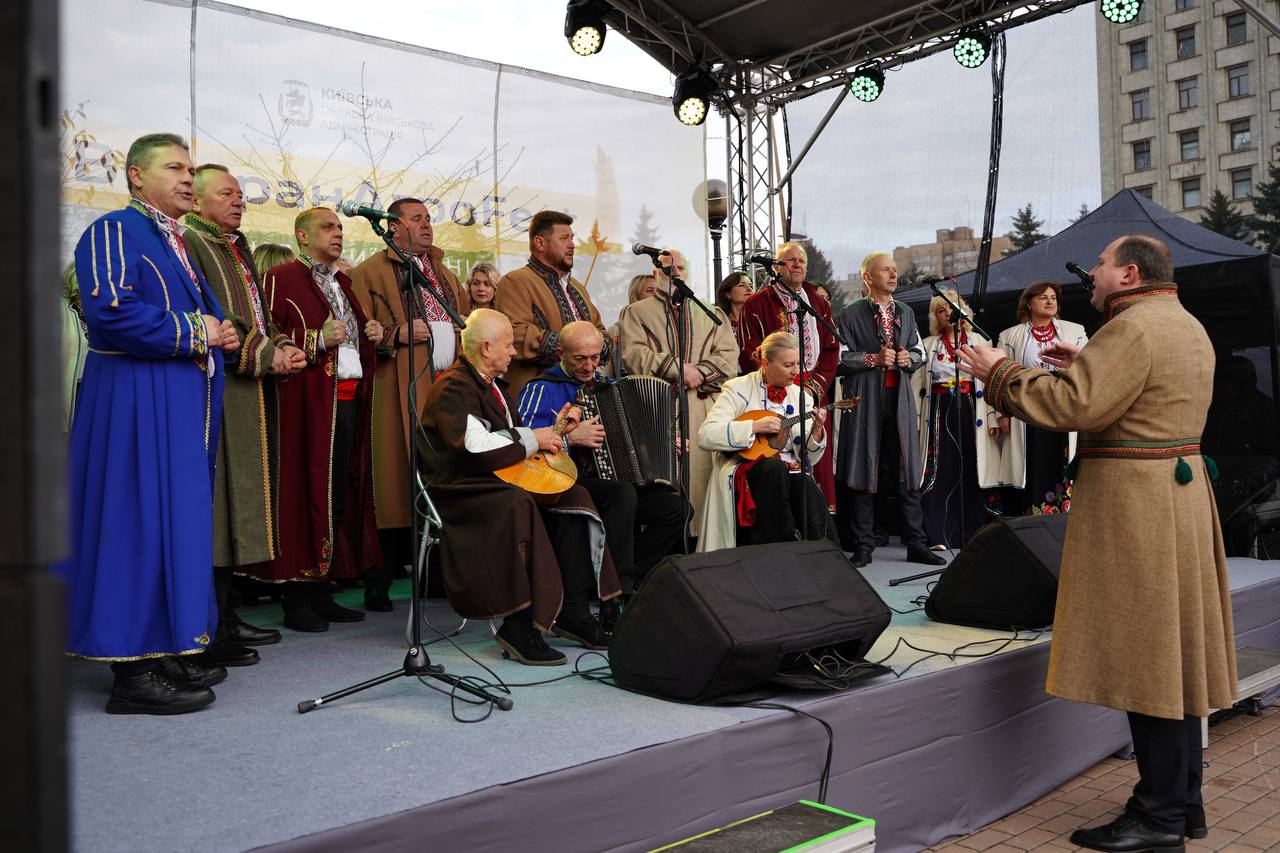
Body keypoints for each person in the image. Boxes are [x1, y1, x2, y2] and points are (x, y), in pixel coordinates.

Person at [959, 234, 1237, 851]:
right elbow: (1119, 394)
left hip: (1141, 506)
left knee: (1150, 658)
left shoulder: (1132, 328)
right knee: (1174, 657)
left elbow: (1076, 407)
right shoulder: (1183, 323)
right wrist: (1078, 364)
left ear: (1130, 274)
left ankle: (1158, 817)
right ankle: (1179, 804)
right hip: (1179, 499)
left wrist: (998, 371)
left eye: (1104, 265)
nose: (1094, 275)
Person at [57, 132, 240, 714]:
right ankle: (129, 674)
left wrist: (222, 331)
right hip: (134, 404)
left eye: (191, 169)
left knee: (171, 526)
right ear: (136, 176)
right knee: (133, 525)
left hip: (176, 406)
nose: (189, 178)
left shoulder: (177, 240)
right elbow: (111, 311)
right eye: (174, 168)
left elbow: (197, 317)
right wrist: (198, 331)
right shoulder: (114, 231)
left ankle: (160, 648)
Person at [420, 309, 622, 665]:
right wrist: (534, 437)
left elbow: (508, 440)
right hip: (463, 489)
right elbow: (475, 447)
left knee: (575, 493)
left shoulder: (488, 383)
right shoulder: (455, 386)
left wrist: (555, 432)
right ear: (485, 347)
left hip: (495, 477)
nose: (514, 353)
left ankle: (574, 611)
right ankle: (518, 624)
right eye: (508, 345)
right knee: (517, 504)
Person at [183, 164, 306, 663]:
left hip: (249, 395)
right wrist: (264, 353)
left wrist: (284, 346)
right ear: (198, 201)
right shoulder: (194, 242)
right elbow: (216, 317)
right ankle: (209, 626)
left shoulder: (236, 246)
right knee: (220, 507)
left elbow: (259, 317)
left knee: (239, 505)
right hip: (219, 392)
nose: (239, 201)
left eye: (240, 194)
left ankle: (226, 616)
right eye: (226, 194)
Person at [261, 208, 383, 631]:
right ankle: (296, 598)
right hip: (306, 404)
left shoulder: (343, 282)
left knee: (337, 495)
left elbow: (349, 338)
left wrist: (372, 334)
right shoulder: (281, 277)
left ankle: (322, 587)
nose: (338, 234)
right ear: (302, 235)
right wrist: (315, 339)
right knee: (304, 493)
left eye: (340, 228)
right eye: (328, 228)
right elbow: (267, 335)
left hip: (346, 400)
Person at [349, 197, 469, 611]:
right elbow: (356, 332)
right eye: (417, 219)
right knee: (392, 479)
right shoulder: (369, 273)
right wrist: (396, 334)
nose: (427, 225)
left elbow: (466, 323)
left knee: (442, 475)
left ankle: (436, 576)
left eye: (429, 218)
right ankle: (378, 580)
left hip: (446, 388)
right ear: (394, 227)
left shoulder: (445, 273)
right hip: (396, 386)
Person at [517, 321, 687, 604]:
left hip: (614, 484)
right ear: (561, 353)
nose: (589, 365)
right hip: (564, 483)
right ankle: (619, 592)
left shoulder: (609, 388)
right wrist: (571, 439)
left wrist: (668, 446)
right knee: (622, 494)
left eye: (595, 357)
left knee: (676, 508)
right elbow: (525, 449)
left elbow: (635, 438)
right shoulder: (541, 389)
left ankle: (631, 576)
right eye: (580, 358)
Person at [835, 252, 946, 569]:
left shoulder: (907, 312)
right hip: (865, 402)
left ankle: (916, 543)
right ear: (868, 278)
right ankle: (864, 544)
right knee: (864, 468)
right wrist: (873, 360)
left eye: (895, 269)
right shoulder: (851, 313)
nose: (893, 274)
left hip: (899, 403)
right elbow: (840, 360)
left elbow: (919, 352)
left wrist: (905, 360)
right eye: (885, 269)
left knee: (907, 471)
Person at [618, 248, 739, 535]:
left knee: (702, 480)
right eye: (669, 270)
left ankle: (701, 541)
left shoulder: (711, 312)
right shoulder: (636, 313)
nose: (676, 274)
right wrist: (676, 369)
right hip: (657, 409)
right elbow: (632, 355)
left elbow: (729, 359)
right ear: (656, 274)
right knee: (662, 482)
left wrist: (699, 373)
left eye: (681, 269)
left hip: (702, 409)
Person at [698, 331, 833, 550]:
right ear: (765, 363)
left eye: (798, 364)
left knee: (805, 482)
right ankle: (780, 548)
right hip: (746, 470)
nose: (795, 371)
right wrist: (753, 427)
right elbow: (706, 435)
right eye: (788, 364)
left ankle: (823, 554)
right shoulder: (737, 388)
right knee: (775, 468)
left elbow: (809, 454)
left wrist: (817, 431)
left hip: (788, 470)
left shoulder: (801, 396)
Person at [737, 243, 839, 511]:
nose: (797, 265)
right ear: (776, 266)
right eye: (790, 260)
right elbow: (749, 352)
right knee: (778, 454)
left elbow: (830, 349)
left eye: (801, 261)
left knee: (815, 450)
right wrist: (783, 379)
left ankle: (818, 522)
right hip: (772, 392)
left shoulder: (818, 304)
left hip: (814, 390)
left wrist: (813, 385)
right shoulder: (756, 304)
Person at [909, 290, 1001, 550]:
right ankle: (939, 533)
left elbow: (992, 383)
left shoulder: (980, 340)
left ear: (963, 312)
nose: (948, 313)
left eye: (952, 308)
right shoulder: (927, 345)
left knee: (972, 466)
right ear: (935, 317)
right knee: (940, 469)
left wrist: (995, 418)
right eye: (941, 310)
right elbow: (916, 389)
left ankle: (976, 531)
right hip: (939, 410)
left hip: (971, 409)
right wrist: (915, 423)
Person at [493, 210, 613, 396]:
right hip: (538, 396)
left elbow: (600, 331)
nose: (572, 245)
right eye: (564, 238)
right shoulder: (515, 281)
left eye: (572, 238)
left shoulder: (577, 288)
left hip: (583, 397)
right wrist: (572, 346)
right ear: (540, 243)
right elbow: (513, 334)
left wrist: (599, 345)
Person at [994, 281, 1089, 515]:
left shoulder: (1075, 331)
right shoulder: (1009, 336)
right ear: (1028, 303)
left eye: (1054, 298)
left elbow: (1089, 366)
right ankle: (1032, 513)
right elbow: (998, 376)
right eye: (1043, 297)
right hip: (1027, 403)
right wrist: (1001, 413)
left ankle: (1062, 513)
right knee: (1032, 459)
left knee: (1061, 456)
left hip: (1062, 402)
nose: (1050, 301)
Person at [715, 270, 753, 355]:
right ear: (728, 294)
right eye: (742, 285)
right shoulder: (720, 322)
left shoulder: (758, 319)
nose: (749, 288)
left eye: (750, 285)